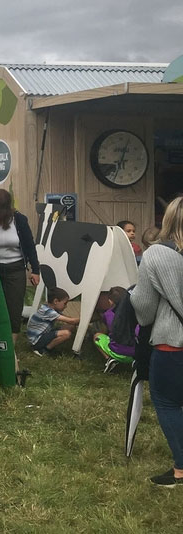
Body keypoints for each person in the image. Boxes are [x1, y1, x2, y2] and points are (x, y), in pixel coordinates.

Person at [132, 196, 183, 487]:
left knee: (168, 403)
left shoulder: (155, 255)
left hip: (172, 343)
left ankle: (181, 470)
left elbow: (145, 308)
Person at [0, 189, 40, 349]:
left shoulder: (19, 220)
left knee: (14, 308)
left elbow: (29, 246)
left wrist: (35, 270)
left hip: (15, 270)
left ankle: (9, 349)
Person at [26, 287, 79, 357]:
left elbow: (69, 320)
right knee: (66, 334)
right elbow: (71, 321)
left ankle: (46, 346)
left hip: (42, 334)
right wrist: (87, 318)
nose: (66, 306)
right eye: (65, 303)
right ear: (56, 301)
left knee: (70, 327)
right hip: (36, 340)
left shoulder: (49, 308)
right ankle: (43, 350)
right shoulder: (48, 312)